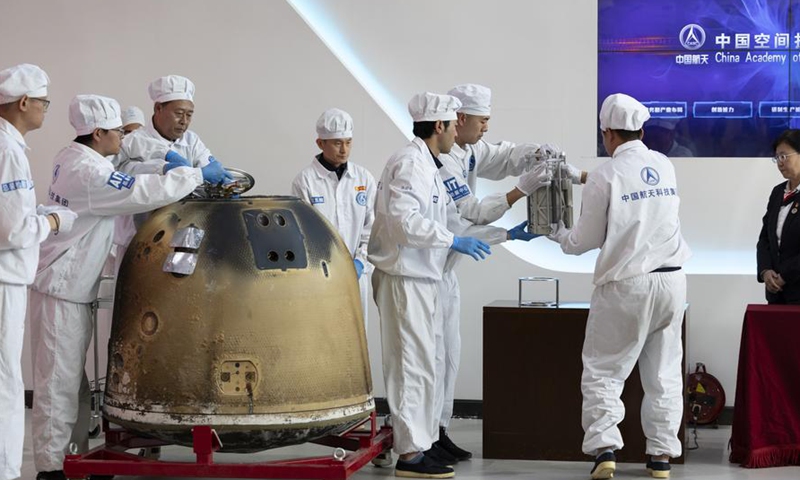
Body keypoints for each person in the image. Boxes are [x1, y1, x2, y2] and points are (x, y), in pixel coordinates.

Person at [29, 94, 224, 480]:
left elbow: (130, 165)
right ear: (98, 132)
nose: (124, 137)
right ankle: (51, 470)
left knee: (71, 385)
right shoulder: (89, 174)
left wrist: (169, 161)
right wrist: (197, 175)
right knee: (57, 386)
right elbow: (139, 191)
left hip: (67, 287)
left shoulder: (76, 157)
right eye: (118, 131)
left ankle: (71, 460)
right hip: (61, 290)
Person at [369, 91, 515, 479]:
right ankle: (410, 455)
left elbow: (456, 218)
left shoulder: (429, 165)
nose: (456, 133)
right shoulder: (409, 163)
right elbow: (404, 221)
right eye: (453, 125)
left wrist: (505, 235)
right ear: (439, 126)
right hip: (404, 278)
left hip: (424, 276)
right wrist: (454, 241)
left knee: (426, 366)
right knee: (409, 367)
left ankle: (420, 444)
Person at [547, 93, 691, 479]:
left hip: (626, 285)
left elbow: (583, 240)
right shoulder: (663, 164)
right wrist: (584, 177)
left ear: (607, 133)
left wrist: (554, 232)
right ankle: (661, 456)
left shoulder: (606, 174)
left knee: (604, 370)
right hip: (672, 282)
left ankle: (604, 451)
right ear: (642, 130)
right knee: (663, 373)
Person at [432, 84, 576, 460]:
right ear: (458, 119)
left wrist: (534, 153)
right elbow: (472, 213)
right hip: (422, 274)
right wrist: (517, 193)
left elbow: (505, 156)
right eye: (482, 121)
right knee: (425, 361)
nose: (486, 128)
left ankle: (438, 430)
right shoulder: (440, 161)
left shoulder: (467, 150)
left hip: (445, 271)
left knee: (448, 356)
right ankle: (420, 440)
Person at [0, 63, 76, 480]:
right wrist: (51, 222)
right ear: (23, 102)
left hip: (7, 275)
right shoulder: (8, 150)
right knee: (7, 384)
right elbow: (13, 229)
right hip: (4, 279)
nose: (46, 109)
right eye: (43, 102)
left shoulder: (8, 147)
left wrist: (36, 212)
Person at [292, 108, 376, 327]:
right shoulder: (305, 181)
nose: (344, 150)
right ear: (320, 143)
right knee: (325, 336)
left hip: (357, 274)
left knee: (357, 336)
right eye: (337, 143)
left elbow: (372, 227)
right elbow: (302, 234)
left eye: (348, 142)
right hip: (320, 274)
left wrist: (361, 261)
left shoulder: (363, 178)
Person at [757, 129, 800, 304]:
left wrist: (785, 275)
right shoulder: (777, 192)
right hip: (776, 293)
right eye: (777, 158)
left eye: (784, 156)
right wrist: (766, 271)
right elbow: (765, 238)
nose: (779, 163)